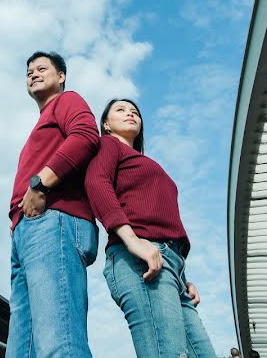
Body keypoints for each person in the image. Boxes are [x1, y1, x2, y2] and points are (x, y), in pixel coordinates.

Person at [85, 98, 218, 358]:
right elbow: (96, 183)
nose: (130, 114)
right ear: (106, 124)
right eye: (120, 110)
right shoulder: (108, 145)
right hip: (138, 260)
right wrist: (132, 240)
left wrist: (182, 276)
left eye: (135, 111)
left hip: (170, 266)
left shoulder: (141, 161)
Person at [6, 51, 100, 358]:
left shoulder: (66, 100)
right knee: (22, 350)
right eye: (29, 71)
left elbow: (86, 135)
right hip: (26, 233)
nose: (33, 73)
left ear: (61, 76)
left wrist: (39, 183)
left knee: (59, 343)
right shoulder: (40, 124)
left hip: (54, 221)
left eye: (41, 68)